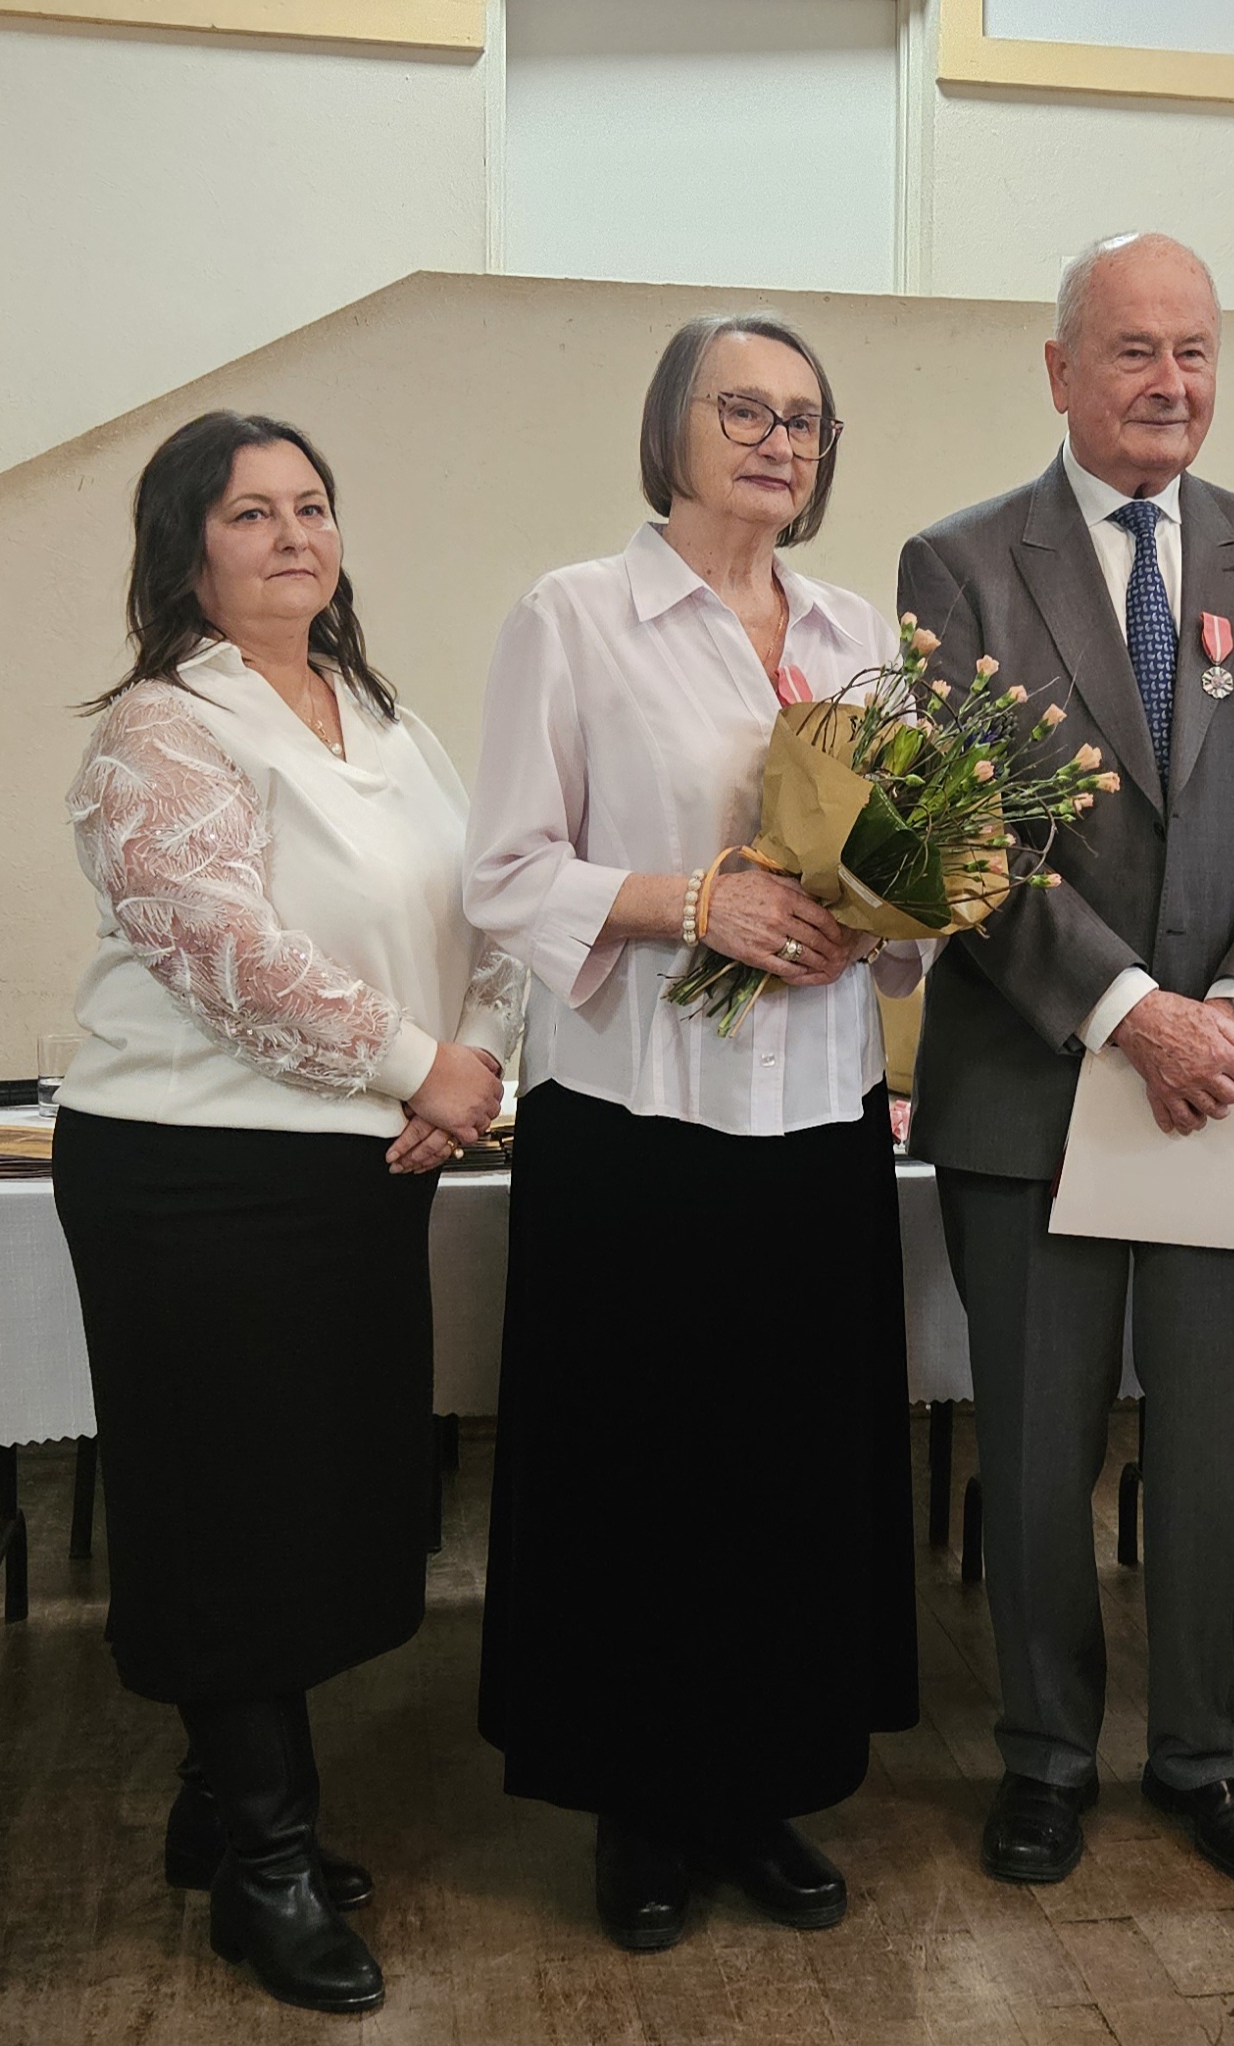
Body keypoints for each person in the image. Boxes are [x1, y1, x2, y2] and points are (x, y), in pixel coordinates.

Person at [898, 233, 1234, 1891]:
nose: (1169, 383)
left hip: (1225, 1091)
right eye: (1131, 351)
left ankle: (1205, 1753)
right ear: (1058, 370)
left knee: (1220, 1447)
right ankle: (1042, 1755)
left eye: (1194, 351)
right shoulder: (958, 564)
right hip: (1039, 1084)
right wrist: (1127, 1012)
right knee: (1037, 1449)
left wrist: (1231, 1010)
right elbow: (955, 828)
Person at [51, 410, 521, 2014]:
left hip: (355, 1164)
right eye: (249, 513)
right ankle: (266, 1865)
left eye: (310, 506)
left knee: (327, 1501)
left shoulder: (379, 714)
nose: (291, 535)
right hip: (193, 1172)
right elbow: (223, 948)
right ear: (184, 547)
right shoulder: (159, 727)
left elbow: (486, 907)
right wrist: (418, 1064)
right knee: (229, 1512)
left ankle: (216, 1804)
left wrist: (476, 1062)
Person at [465, 313, 922, 1953]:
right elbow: (503, 871)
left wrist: (896, 909)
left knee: (792, 1470)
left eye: (803, 420)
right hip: (635, 1123)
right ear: (670, 427)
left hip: (814, 1116)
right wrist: (688, 903)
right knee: (639, 1471)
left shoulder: (854, 630)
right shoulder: (574, 615)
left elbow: (904, 864)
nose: (777, 441)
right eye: (743, 409)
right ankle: (641, 1806)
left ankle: (761, 1789)